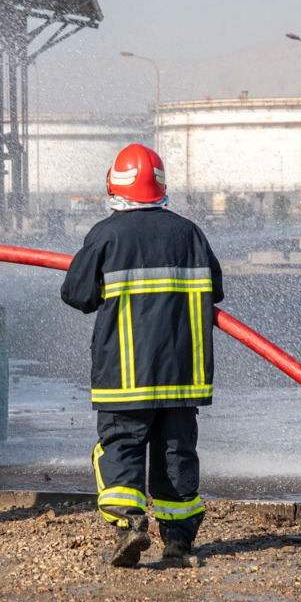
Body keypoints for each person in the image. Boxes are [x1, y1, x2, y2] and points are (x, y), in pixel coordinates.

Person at [60, 143, 223, 568]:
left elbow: (76, 294)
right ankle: (178, 541)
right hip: (183, 376)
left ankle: (130, 525)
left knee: (121, 448)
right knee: (175, 454)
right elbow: (215, 291)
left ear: (115, 186)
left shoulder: (106, 234)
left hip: (125, 376)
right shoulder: (190, 233)